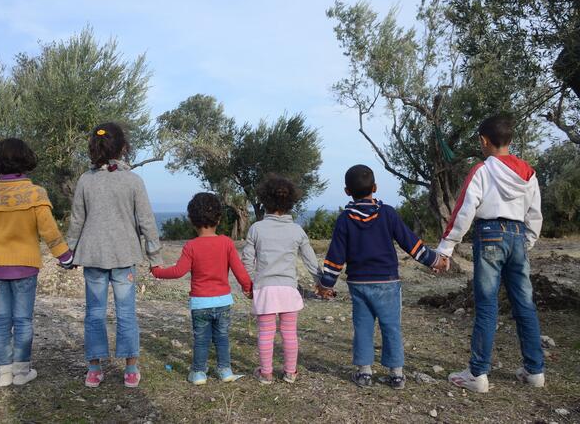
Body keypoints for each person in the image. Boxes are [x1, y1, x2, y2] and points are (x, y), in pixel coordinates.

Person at [437, 113, 544, 393]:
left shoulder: (483, 170)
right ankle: (535, 371)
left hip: (489, 235)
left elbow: (464, 210)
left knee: (486, 306)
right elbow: (535, 213)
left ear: (484, 141)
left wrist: (446, 248)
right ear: (510, 139)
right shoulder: (529, 173)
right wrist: (527, 241)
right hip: (518, 236)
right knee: (525, 304)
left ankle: (478, 374)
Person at [316, 165, 446, 389]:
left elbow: (335, 257)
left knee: (363, 326)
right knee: (391, 326)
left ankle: (365, 372)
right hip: (387, 282)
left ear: (347, 191)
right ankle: (396, 374)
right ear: (375, 188)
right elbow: (411, 244)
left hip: (359, 283)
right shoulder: (388, 214)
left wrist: (325, 284)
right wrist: (434, 260)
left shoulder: (344, 219)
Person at [67, 122, 162, 388]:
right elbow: (146, 221)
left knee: (94, 312)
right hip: (124, 255)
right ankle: (131, 368)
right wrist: (155, 256)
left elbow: (77, 220)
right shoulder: (133, 181)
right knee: (127, 312)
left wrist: (69, 251)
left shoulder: (86, 180)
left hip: (93, 256)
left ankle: (94, 368)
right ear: (123, 148)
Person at [0, 138, 74, 387]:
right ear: (26, 159)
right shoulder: (35, 193)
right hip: (26, 266)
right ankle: (21, 370)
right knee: (23, 320)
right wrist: (65, 256)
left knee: (0, 320)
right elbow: (49, 230)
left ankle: (4, 372)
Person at [152, 193, 252, 385]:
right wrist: (249, 289)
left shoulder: (191, 246)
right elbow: (240, 272)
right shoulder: (227, 243)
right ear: (219, 218)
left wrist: (157, 272)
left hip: (200, 303)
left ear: (191, 220)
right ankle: (225, 370)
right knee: (222, 338)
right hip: (223, 301)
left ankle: (198, 373)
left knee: (201, 339)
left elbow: (178, 271)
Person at [241, 175, 323, 384]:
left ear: (264, 201)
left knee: (266, 334)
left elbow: (247, 260)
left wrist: (249, 285)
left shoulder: (256, 229)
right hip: (288, 290)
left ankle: (266, 373)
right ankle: (290, 372)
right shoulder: (297, 230)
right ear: (290, 203)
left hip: (265, 289)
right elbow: (311, 260)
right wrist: (322, 283)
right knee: (289, 334)